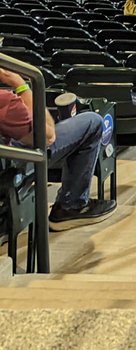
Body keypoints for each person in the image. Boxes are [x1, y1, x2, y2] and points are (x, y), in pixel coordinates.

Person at [0, 65, 117, 230]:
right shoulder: (4, 101)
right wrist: (20, 85)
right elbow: (47, 137)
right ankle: (71, 205)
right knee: (92, 122)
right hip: (9, 172)